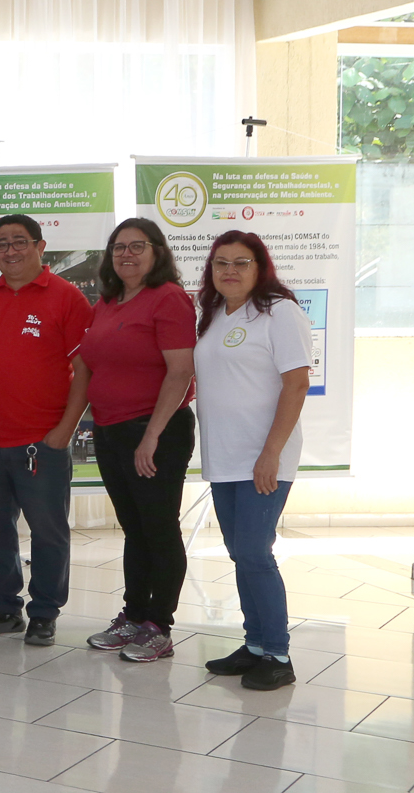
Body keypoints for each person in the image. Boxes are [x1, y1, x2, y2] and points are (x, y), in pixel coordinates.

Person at [0, 213, 92, 646]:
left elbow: (84, 369)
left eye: (20, 242)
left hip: (40, 444)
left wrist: (66, 430)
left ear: (40, 247)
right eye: (2, 244)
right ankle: (3, 606)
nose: (11, 250)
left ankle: (44, 611)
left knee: (48, 531)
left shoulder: (66, 298)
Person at [194, 232, 313, 691]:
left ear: (260, 267)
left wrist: (271, 452)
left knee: (254, 553)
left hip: (264, 457)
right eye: (221, 263)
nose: (230, 271)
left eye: (241, 263)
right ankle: (256, 646)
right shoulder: (215, 315)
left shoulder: (279, 314)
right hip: (225, 456)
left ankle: (279, 655)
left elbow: (296, 384)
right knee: (239, 553)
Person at [81, 218, 197, 663]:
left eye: (137, 246)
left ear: (157, 252)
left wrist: (151, 435)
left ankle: (158, 626)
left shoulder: (168, 299)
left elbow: (181, 371)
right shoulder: (110, 301)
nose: (126, 255)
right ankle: (133, 615)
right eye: (118, 248)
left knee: (160, 528)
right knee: (134, 528)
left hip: (154, 431)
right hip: (112, 430)